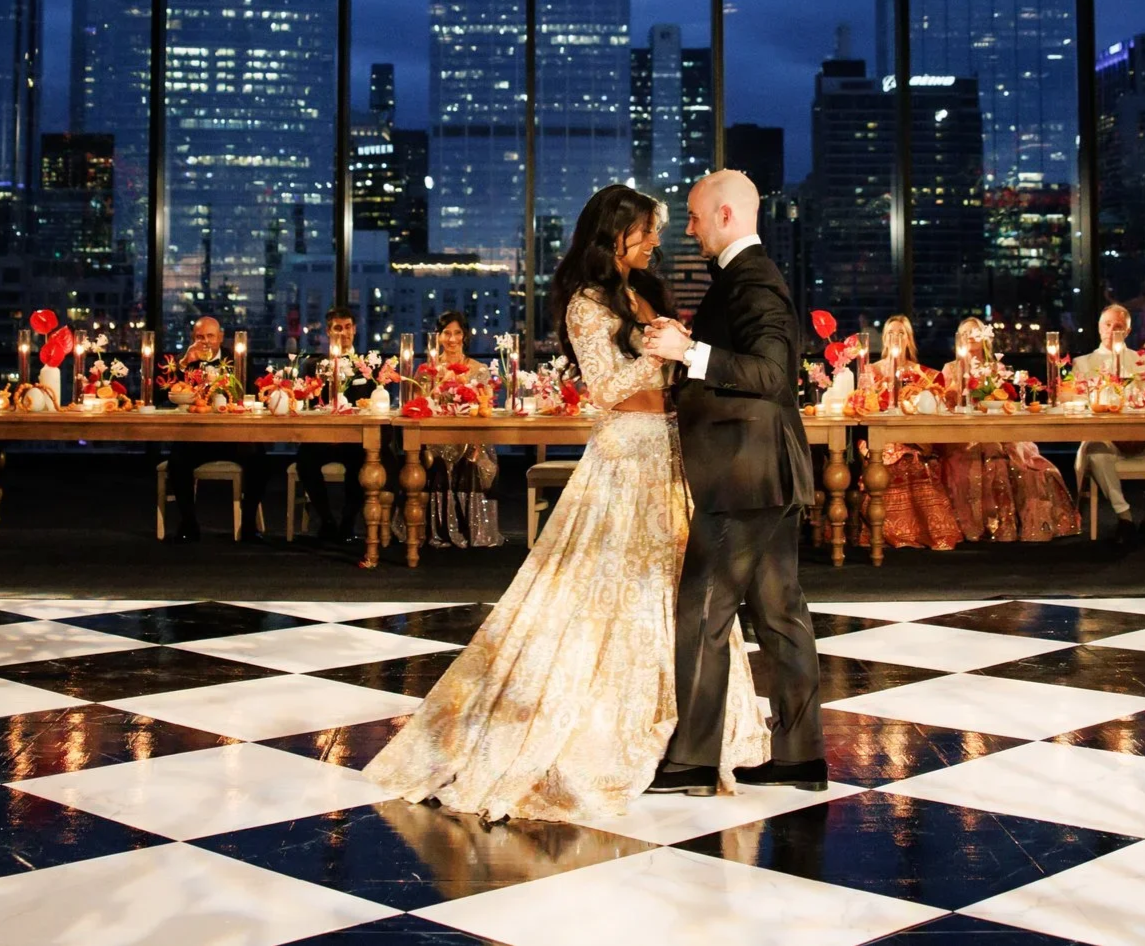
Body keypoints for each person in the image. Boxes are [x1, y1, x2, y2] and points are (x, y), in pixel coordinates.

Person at [366, 185, 767, 822]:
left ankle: (691, 729)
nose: (658, 240)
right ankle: (595, 728)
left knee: (682, 592)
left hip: (670, 453)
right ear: (617, 237)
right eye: (647, 231)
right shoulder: (586, 303)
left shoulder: (648, 294)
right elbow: (607, 385)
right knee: (598, 596)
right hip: (624, 456)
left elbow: (675, 370)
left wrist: (680, 354)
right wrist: (661, 353)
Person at [643, 168, 823, 797]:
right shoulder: (747, 280)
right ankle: (800, 758)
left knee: (703, 614)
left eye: (693, 217)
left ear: (724, 216)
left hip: (745, 477)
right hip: (765, 473)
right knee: (778, 616)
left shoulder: (753, 280)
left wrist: (685, 353)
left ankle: (692, 760)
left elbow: (773, 374)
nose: (687, 230)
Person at [937, 317, 1082, 543]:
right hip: (964, 433)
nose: (970, 337)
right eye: (965, 333)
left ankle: (1013, 525)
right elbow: (946, 405)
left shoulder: (995, 367)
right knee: (973, 462)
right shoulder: (950, 369)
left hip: (997, 430)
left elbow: (1006, 402)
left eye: (975, 332)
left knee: (1022, 464)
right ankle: (977, 526)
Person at [1075, 304, 1145, 540]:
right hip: (1107, 440)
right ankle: (1124, 516)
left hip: (1144, 437)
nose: (1112, 331)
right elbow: (1077, 404)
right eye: (1107, 325)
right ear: (1099, 328)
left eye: (1118, 327)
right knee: (1095, 452)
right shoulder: (1083, 364)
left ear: (1127, 331)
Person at [857, 315, 961, 550]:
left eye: (901, 333)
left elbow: (935, 407)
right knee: (895, 460)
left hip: (915, 437)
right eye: (891, 332)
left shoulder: (925, 375)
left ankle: (928, 532)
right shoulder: (870, 372)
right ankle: (886, 532)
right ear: (884, 338)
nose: (896, 337)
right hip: (881, 436)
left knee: (916, 462)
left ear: (909, 339)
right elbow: (864, 407)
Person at [159, 316, 260, 543]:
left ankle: (250, 525)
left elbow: (253, 391)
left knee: (260, 459)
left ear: (221, 338)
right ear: (192, 338)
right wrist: (184, 362)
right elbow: (161, 394)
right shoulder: (184, 361)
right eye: (199, 337)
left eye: (210, 336)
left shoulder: (238, 360)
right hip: (196, 438)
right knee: (177, 461)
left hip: (232, 437)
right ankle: (188, 524)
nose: (205, 342)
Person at [294, 305, 380, 542]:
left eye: (348, 327)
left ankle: (348, 522)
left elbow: (376, 403)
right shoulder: (312, 365)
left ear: (355, 329)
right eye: (338, 328)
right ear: (328, 332)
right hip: (321, 437)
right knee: (305, 461)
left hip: (354, 438)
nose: (344, 333)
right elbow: (301, 402)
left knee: (363, 462)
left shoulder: (368, 366)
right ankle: (326, 520)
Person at [417, 311, 499, 547]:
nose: (452, 339)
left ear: (464, 336)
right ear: (439, 337)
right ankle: (436, 530)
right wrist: (435, 390)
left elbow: (487, 409)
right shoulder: (427, 371)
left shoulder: (479, 369)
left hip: (472, 439)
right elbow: (416, 407)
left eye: (457, 333)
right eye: (447, 333)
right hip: (436, 438)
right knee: (434, 457)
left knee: (471, 457)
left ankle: (471, 530)